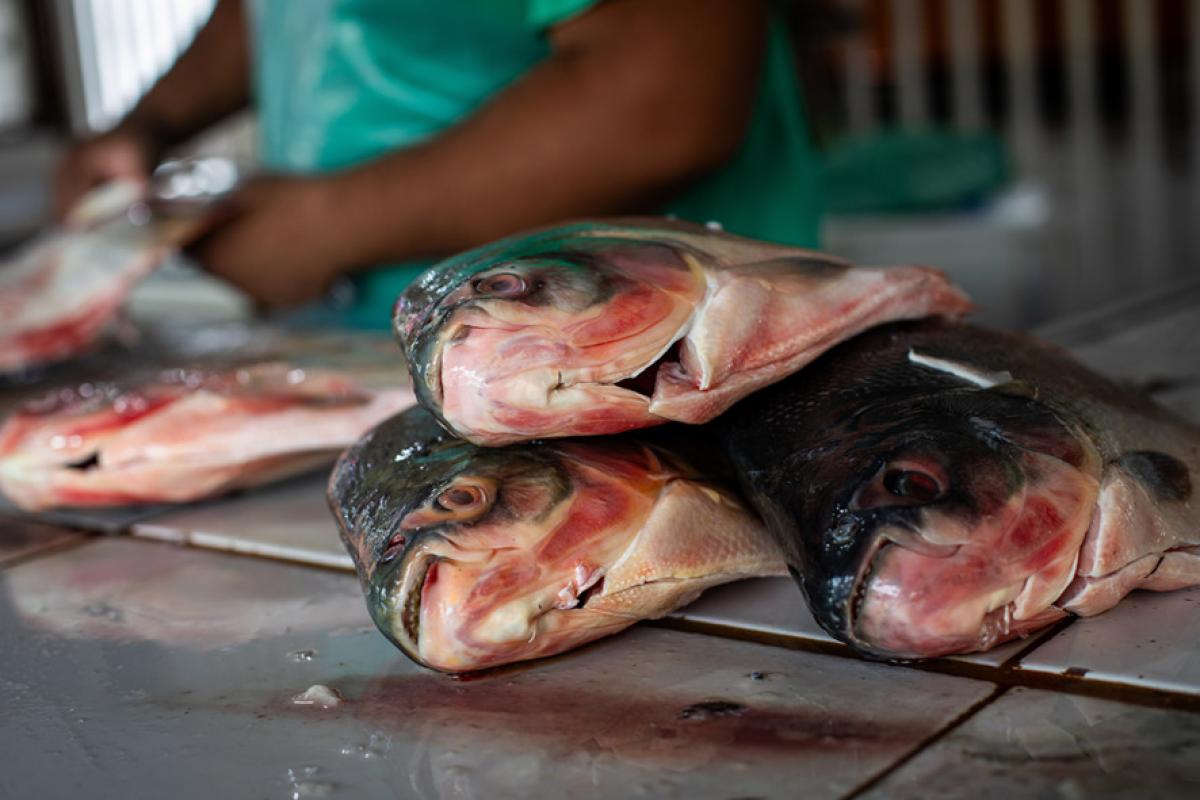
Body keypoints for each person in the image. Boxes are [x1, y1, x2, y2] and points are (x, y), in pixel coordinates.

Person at [55, 0, 822, 328]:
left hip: (640, 348)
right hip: (375, 342)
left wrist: (325, 228)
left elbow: (669, 95)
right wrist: (151, 121)